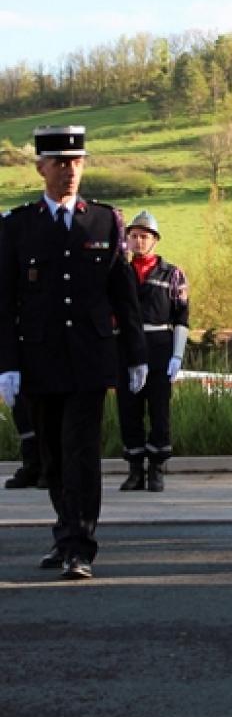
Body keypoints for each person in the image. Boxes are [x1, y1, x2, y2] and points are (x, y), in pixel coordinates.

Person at [0, 125, 147, 580]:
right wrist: (6, 364)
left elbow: (123, 293)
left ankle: (80, 544)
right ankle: (65, 532)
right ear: (41, 167)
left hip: (90, 356)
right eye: (61, 163)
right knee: (52, 456)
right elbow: (5, 300)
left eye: (77, 162)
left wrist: (137, 353)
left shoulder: (104, 220)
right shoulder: (18, 226)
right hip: (40, 357)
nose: (70, 171)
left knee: (81, 450)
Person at [116, 210, 190, 493]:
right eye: (133, 236)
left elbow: (181, 316)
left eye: (144, 236)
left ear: (155, 240)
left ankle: (156, 468)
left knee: (159, 409)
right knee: (128, 409)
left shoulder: (172, 274)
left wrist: (177, 355)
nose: (139, 241)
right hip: (125, 347)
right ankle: (135, 468)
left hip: (159, 345)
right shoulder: (119, 272)